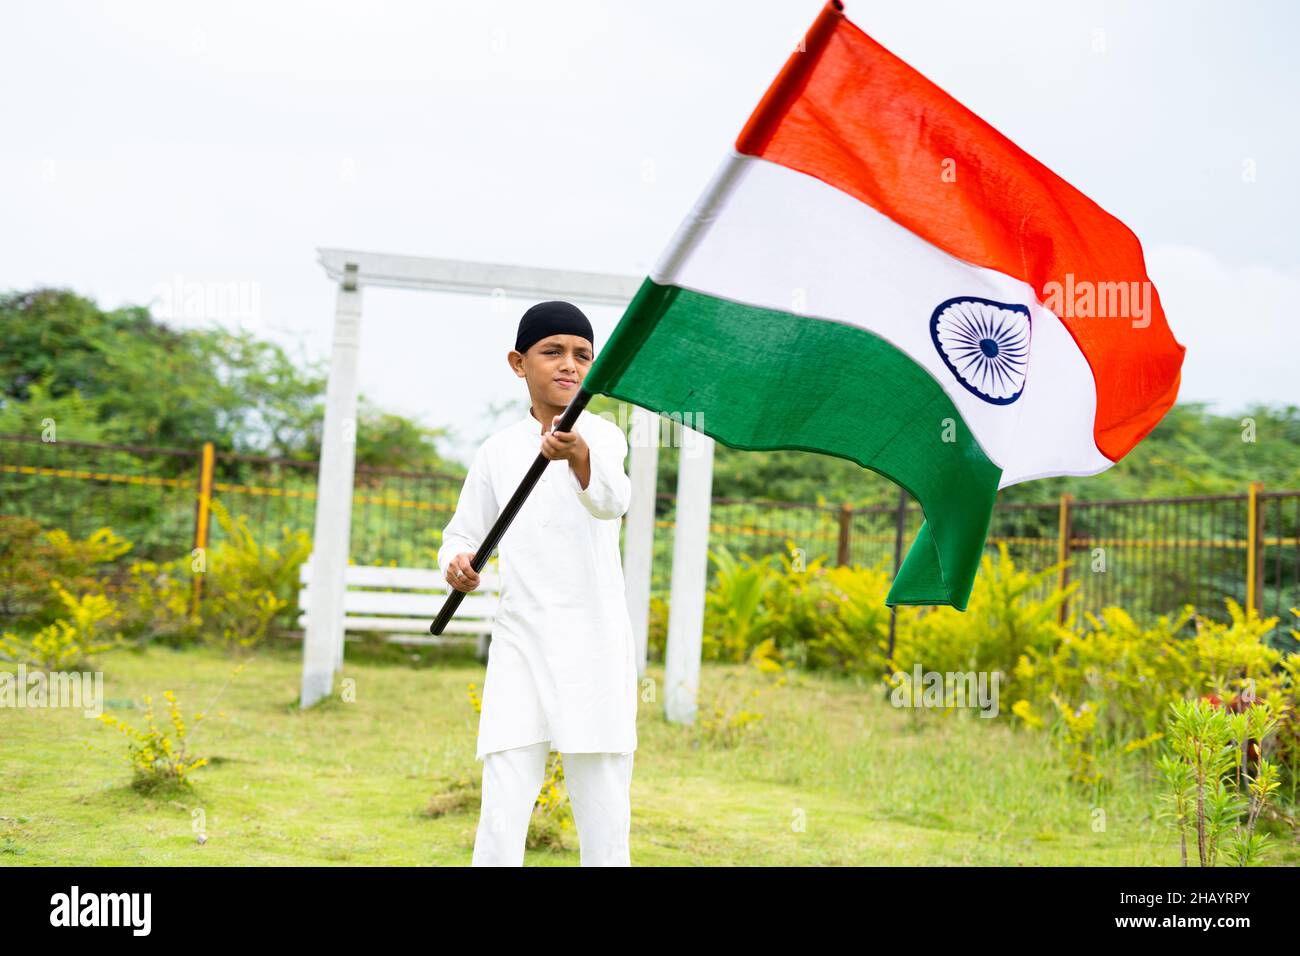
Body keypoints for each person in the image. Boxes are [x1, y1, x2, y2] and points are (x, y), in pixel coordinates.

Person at [437, 300, 638, 866]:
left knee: (603, 804)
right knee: (503, 797)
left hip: (594, 643)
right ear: (518, 362)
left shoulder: (604, 437)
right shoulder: (497, 451)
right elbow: (461, 534)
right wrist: (457, 562)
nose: (568, 365)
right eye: (552, 351)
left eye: (582, 355)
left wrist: (577, 456)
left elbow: (612, 502)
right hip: (521, 641)